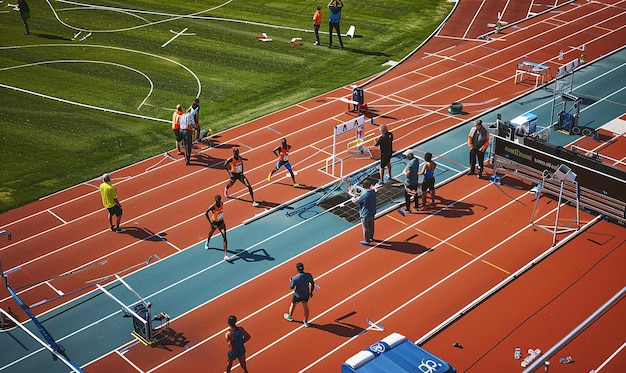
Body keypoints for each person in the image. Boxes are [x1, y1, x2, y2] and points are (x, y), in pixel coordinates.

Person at [284, 262, 315, 328]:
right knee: (305, 307)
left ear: (297, 269)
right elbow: (312, 284)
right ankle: (306, 322)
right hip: (306, 294)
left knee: (293, 304)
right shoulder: (309, 275)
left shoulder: (295, 278)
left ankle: (290, 316)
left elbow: (291, 287)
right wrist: (311, 292)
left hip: (297, 295)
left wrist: (291, 281)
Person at [352, 180, 376, 245]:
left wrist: (353, 199)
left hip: (365, 213)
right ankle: (371, 237)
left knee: (366, 227)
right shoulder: (373, 191)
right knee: (372, 226)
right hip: (372, 211)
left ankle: (366, 240)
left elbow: (358, 201)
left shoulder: (366, 194)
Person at [205, 195, 229, 260]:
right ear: (215, 200)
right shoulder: (213, 206)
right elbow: (206, 213)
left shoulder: (222, 203)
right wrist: (210, 223)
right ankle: (208, 241)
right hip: (214, 222)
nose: (218, 202)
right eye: (217, 201)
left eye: (219, 200)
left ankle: (225, 255)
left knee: (224, 236)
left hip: (221, 222)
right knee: (211, 232)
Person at [399, 149, 420, 215]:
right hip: (415, 180)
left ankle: (408, 208)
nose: (406, 157)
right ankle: (416, 207)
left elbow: (408, 174)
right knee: (415, 194)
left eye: (407, 156)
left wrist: (404, 173)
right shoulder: (416, 160)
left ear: (410, 155)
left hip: (409, 182)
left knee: (407, 196)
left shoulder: (411, 163)